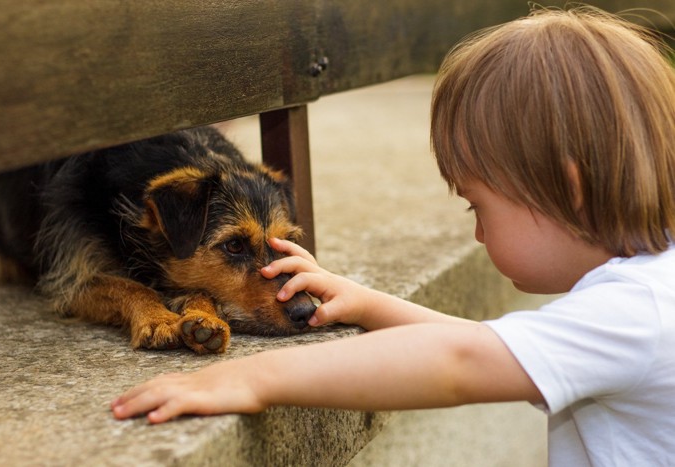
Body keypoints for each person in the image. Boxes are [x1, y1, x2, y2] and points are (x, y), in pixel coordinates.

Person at [111, 6, 675, 465]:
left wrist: (255, 378)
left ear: (568, 188)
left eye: (478, 205)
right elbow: (489, 344)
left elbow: (460, 362)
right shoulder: (650, 292)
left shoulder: (636, 313)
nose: (478, 234)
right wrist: (365, 301)